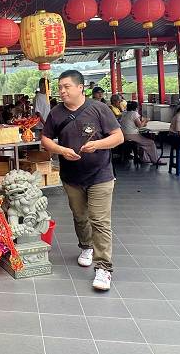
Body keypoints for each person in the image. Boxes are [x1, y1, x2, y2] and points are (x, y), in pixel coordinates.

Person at [41, 70, 123, 291]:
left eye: (67, 86)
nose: (62, 91)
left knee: (99, 220)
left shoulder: (99, 108)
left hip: (101, 175)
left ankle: (104, 268)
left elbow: (118, 136)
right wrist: (61, 150)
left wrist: (97, 145)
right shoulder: (56, 113)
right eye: (60, 87)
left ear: (80, 88)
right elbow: (45, 138)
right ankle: (86, 246)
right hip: (71, 176)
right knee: (80, 216)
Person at [120, 101, 164, 166]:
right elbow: (139, 125)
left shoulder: (124, 113)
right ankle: (155, 160)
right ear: (136, 107)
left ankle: (144, 159)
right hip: (131, 135)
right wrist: (145, 120)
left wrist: (143, 122)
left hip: (123, 135)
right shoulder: (134, 113)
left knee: (142, 141)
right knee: (150, 142)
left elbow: (134, 124)